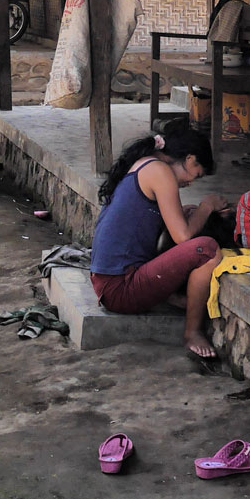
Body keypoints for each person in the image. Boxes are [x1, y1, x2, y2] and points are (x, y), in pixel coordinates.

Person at [89, 126, 221, 360]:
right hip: (120, 289)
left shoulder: (145, 164)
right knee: (207, 249)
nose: (191, 182)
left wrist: (183, 213)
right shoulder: (160, 172)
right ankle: (192, 332)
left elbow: (144, 220)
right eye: (196, 174)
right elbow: (183, 237)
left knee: (186, 227)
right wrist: (206, 207)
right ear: (189, 159)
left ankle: (168, 296)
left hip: (107, 282)